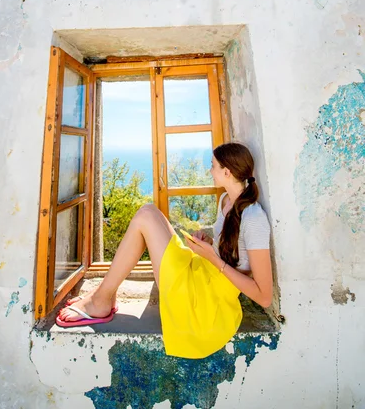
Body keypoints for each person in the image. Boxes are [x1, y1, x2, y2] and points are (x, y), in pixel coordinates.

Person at [56, 142, 273, 359]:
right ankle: (104, 294)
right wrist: (209, 242)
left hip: (204, 302)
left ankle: (101, 300)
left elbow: (264, 297)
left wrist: (211, 256)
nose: (210, 170)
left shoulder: (254, 219)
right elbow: (228, 247)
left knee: (145, 217)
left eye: (213, 166)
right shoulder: (226, 200)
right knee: (148, 211)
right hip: (199, 272)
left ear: (227, 172)